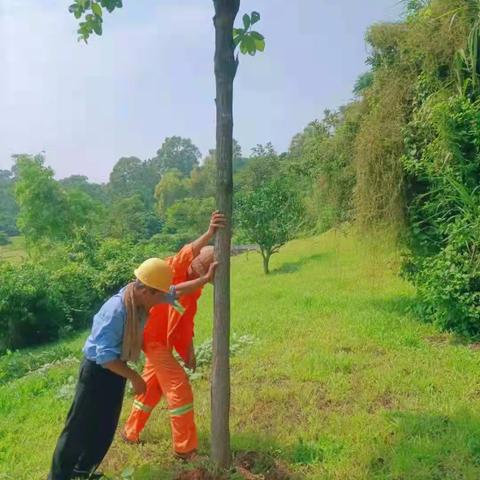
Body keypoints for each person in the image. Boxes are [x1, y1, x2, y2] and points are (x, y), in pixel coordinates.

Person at [48, 255, 217, 480]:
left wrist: (204, 279)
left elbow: (175, 292)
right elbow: (104, 357)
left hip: (116, 371)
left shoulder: (143, 298)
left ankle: (82, 472)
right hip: (96, 373)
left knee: (105, 428)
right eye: (158, 298)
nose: (160, 303)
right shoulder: (116, 311)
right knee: (78, 429)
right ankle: (58, 477)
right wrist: (135, 378)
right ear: (147, 291)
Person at [122, 211, 226, 461]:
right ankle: (185, 449)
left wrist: (188, 351)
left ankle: (130, 432)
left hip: (160, 344)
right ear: (193, 265)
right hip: (152, 341)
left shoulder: (194, 290)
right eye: (197, 271)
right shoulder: (171, 270)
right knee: (179, 388)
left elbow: (184, 323)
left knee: (151, 389)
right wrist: (209, 233)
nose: (194, 276)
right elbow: (185, 251)